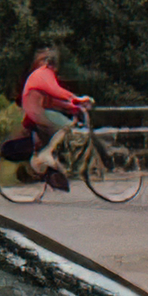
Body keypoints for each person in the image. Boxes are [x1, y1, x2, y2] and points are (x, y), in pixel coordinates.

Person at [20, 48, 91, 192]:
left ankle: (50, 164)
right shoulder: (43, 74)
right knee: (67, 126)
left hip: (37, 111)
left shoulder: (43, 75)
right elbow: (56, 91)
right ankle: (46, 155)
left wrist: (71, 107)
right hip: (38, 113)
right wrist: (76, 99)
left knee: (60, 130)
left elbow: (51, 101)